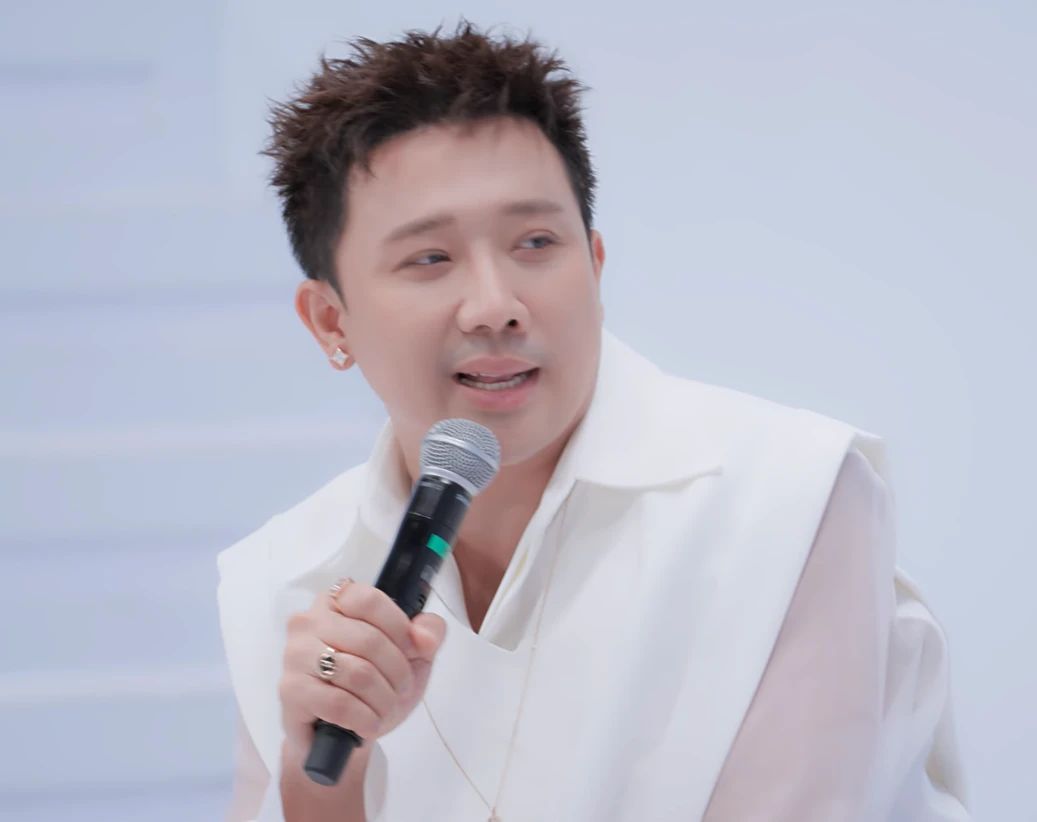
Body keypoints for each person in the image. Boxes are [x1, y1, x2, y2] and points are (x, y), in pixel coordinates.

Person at [217, 21, 971, 822]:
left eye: (535, 242)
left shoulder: (790, 499)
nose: (495, 306)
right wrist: (319, 780)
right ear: (330, 321)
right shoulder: (283, 576)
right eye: (429, 258)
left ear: (595, 265)